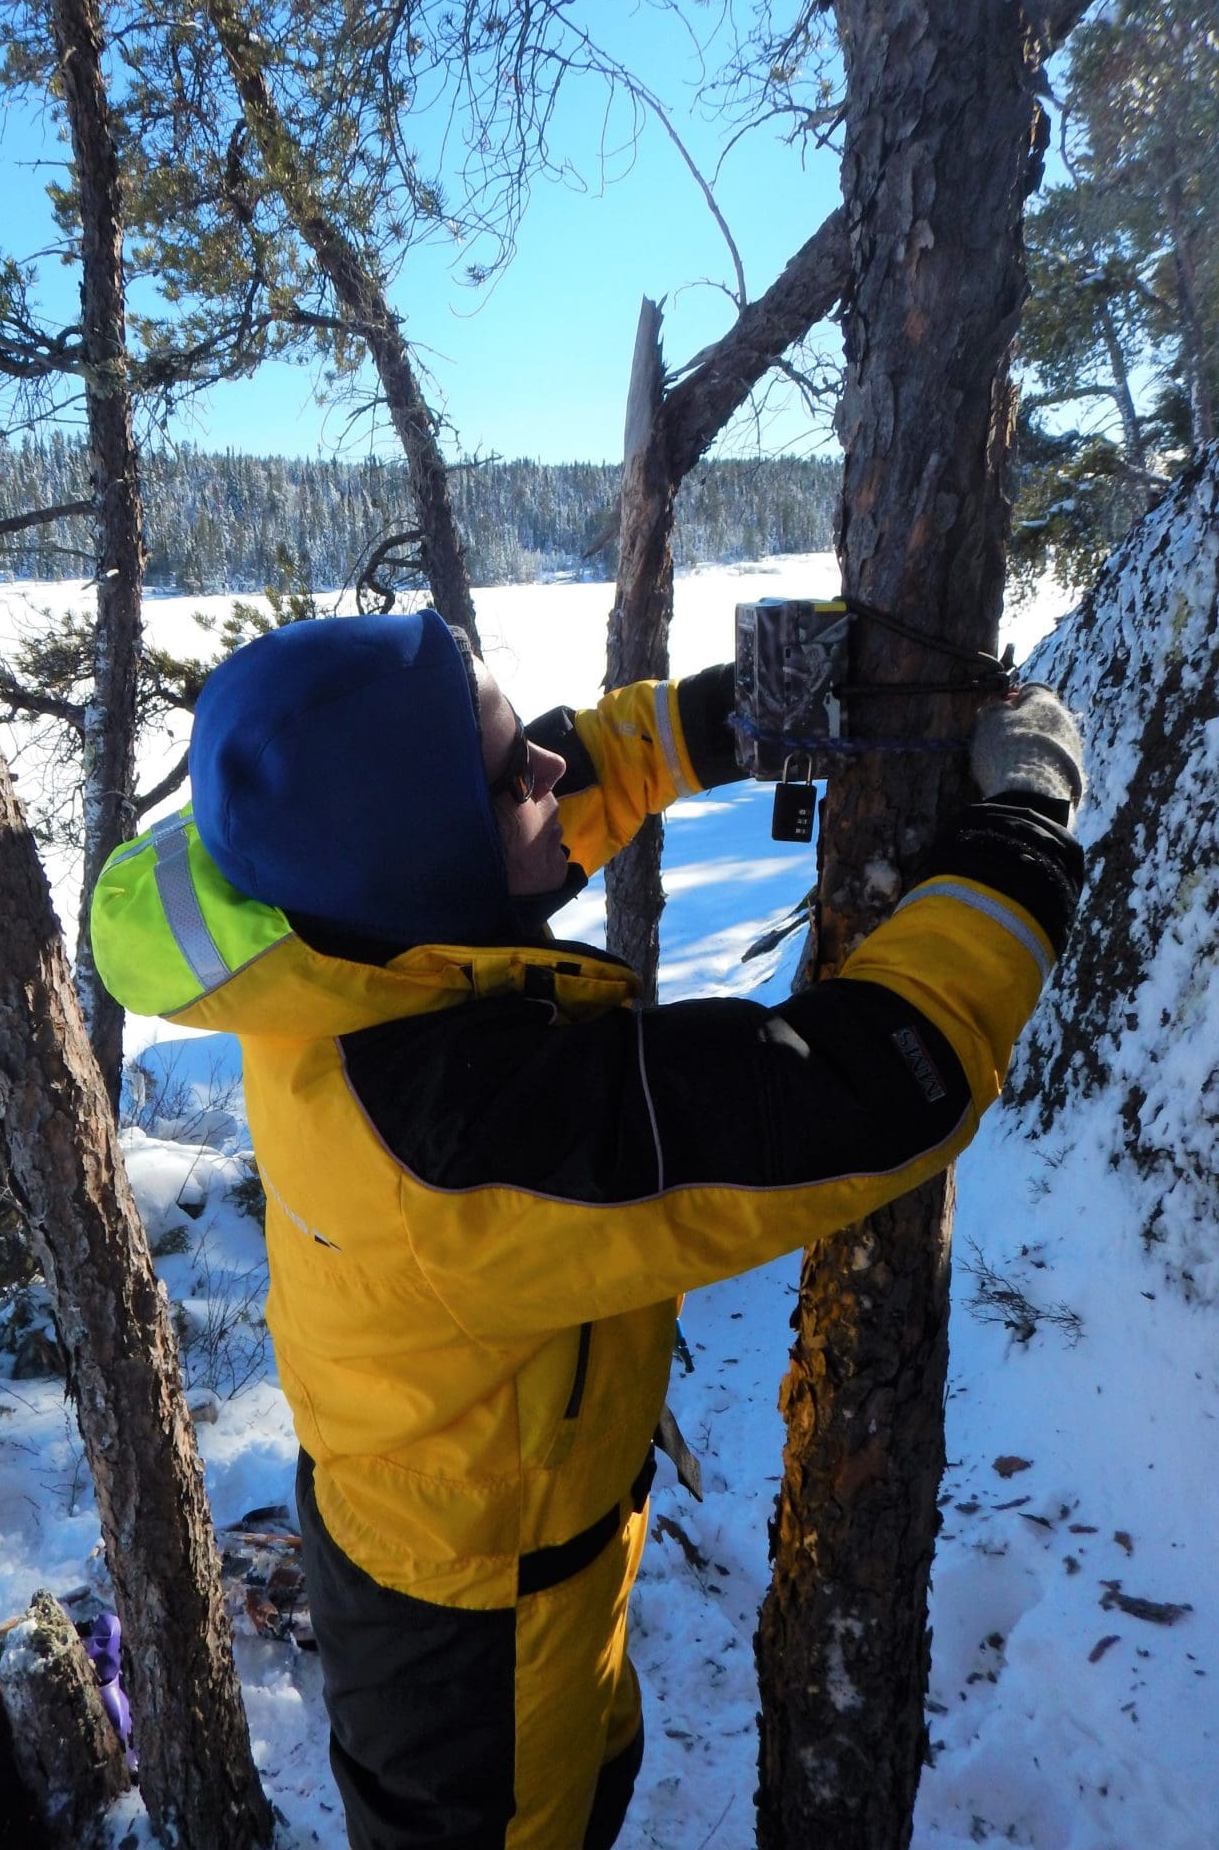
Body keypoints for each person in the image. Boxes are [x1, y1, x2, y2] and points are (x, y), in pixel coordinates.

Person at [91, 610, 1083, 1850]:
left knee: (597, 1786)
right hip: (467, 1640)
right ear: (434, 859)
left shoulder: (336, 927)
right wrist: (1025, 829)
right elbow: (879, 1081)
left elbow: (547, 784)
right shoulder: (468, 1140)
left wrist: (720, 719)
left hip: (496, 1540)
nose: (552, 771)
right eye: (515, 774)